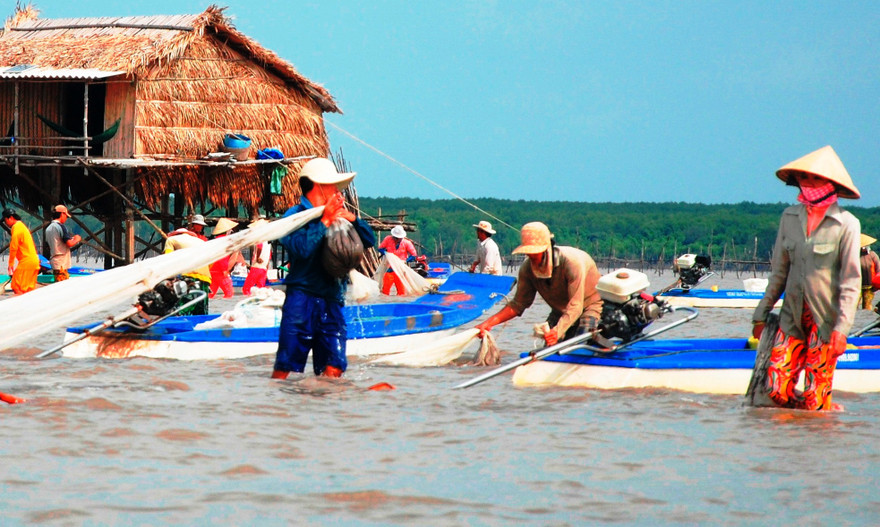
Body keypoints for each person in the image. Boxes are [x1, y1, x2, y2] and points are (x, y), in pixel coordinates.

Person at [751, 145, 861, 411]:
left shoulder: (847, 224)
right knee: (775, 389)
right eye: (805, 178)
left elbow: (850, 283)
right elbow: (779, 272)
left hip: (825, 320)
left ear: (831, 183)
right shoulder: (788, 218)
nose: (810, 183)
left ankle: (819, 420)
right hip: (792, 316)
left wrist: (841, 330)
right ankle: (795, 433)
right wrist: (761, 314)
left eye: (817, 178)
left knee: (816, 399)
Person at [272, 157, 375, 379]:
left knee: (334, 367)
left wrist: (353, 219)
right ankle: (278, 408)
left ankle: (325, 411)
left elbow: (368, 240)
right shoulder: (293, 216)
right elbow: (302, 250)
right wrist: (325, 221)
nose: (338, 190)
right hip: (301, 299)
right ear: (319, 185)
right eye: (333, 185)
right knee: (285, 368)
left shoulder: (341, 217)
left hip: (332, 299)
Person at [475, 221, 603, 347]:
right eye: (528, 253)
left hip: (588, 306)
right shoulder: (527, 269)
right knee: (549, 350)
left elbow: (576, 306)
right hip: (560, 311)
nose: (531, 257)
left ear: (547, 248)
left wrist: (557, 332)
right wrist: (489, 323)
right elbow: (518, 304)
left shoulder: (572, 263)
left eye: (535, 253)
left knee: (579, 346)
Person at [164, 220, 212, 315]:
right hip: (205, 278)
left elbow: (168, 259)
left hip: (188, 276)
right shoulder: (201, 241)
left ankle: (178, 325)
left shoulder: (171, 240)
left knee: (184, 306)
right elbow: (211, 262)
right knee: (201, 309)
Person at [2, 209, 40, 294]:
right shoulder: (21, 226)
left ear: (10, 218)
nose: (6, 223)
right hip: (33, 261)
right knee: (28, 289)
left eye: (5, 220)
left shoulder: (16, 227)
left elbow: (13, 246)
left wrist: (11, 264)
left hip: (26, 261)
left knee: (16, 286)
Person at [45, 204, 82, 282]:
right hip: (61, 263)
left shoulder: (48, 228)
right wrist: (77, 239)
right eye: (66, 216)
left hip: (54, 262)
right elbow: (69, 243)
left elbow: (49, 245)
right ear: (62, 214)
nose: (66, 218)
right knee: (62, 286)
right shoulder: (60, 227)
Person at [208, 217, 242, 299]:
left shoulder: (217, 240)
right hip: (221, 271)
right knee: (229, 293)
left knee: (210, 294)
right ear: (228, 230)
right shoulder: (224, 241)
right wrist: (225, 270)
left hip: (213, 270)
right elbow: (221, 256)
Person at [378, 225, 417, 295]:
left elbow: (414, 255)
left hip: (401, 270)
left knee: (401, 292)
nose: (397, 239)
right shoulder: (388, 239)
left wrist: (406, 261)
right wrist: (386, 253)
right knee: (385, 292)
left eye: (398, 238)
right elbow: (380, 248)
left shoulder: (407, 243)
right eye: (395, 238)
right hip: (389, 269)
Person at [242, 218, 271, 296]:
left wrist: (257, 257)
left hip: (256, 267)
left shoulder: (259, 238)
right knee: (260, 288)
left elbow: (259, 247)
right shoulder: (268, 240)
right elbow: (269, 256)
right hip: (264, 268)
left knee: (247, 288)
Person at [859, 234, 880, 309]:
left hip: (870, 286)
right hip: (858, 286)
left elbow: (878, 269)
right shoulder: (856, 256)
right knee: (854, 306)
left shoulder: (872, 255)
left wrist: (877, 284)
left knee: (867, 306)